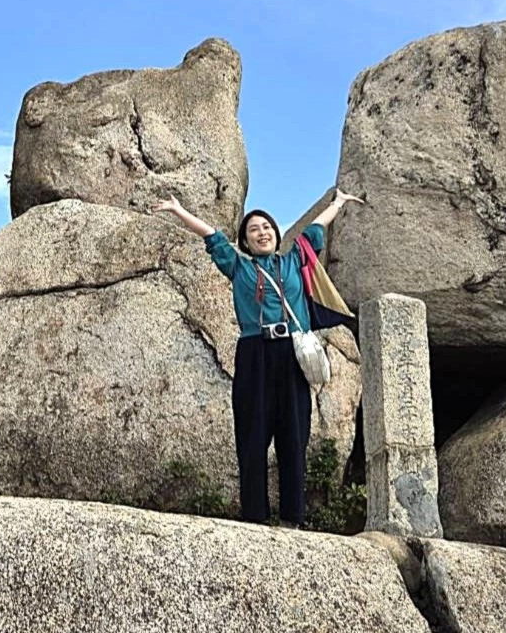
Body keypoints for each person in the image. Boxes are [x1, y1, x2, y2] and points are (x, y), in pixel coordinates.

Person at [154, 189, 363, 527]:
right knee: (252, 435)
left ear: (277, 235)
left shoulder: (294, 260)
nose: (262, 232)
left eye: (266, 227)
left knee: (294, 435)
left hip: (292, 352)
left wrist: (338, 203)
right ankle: (254, 517)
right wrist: (179, 210)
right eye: (254, 229)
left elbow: (316, 228)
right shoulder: (238, 266)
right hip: (254, 353)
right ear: (246, 241)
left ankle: (293, 518)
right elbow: (211, 236)